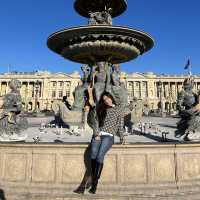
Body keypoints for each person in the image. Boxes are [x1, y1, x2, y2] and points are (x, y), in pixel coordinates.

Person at [88, 91, 125, 194]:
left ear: (111, 98)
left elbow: (120, 125)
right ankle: (94, 179)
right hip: (98, 134)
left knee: (100, 155)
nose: (107, 101)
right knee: (93, 154)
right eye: (104, 100)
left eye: (108, 98)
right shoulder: (101, 108)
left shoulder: (119, 109)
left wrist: (122, 138)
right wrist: (96, 133)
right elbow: (94, 121)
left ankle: (94, 184)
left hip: (109, 136)